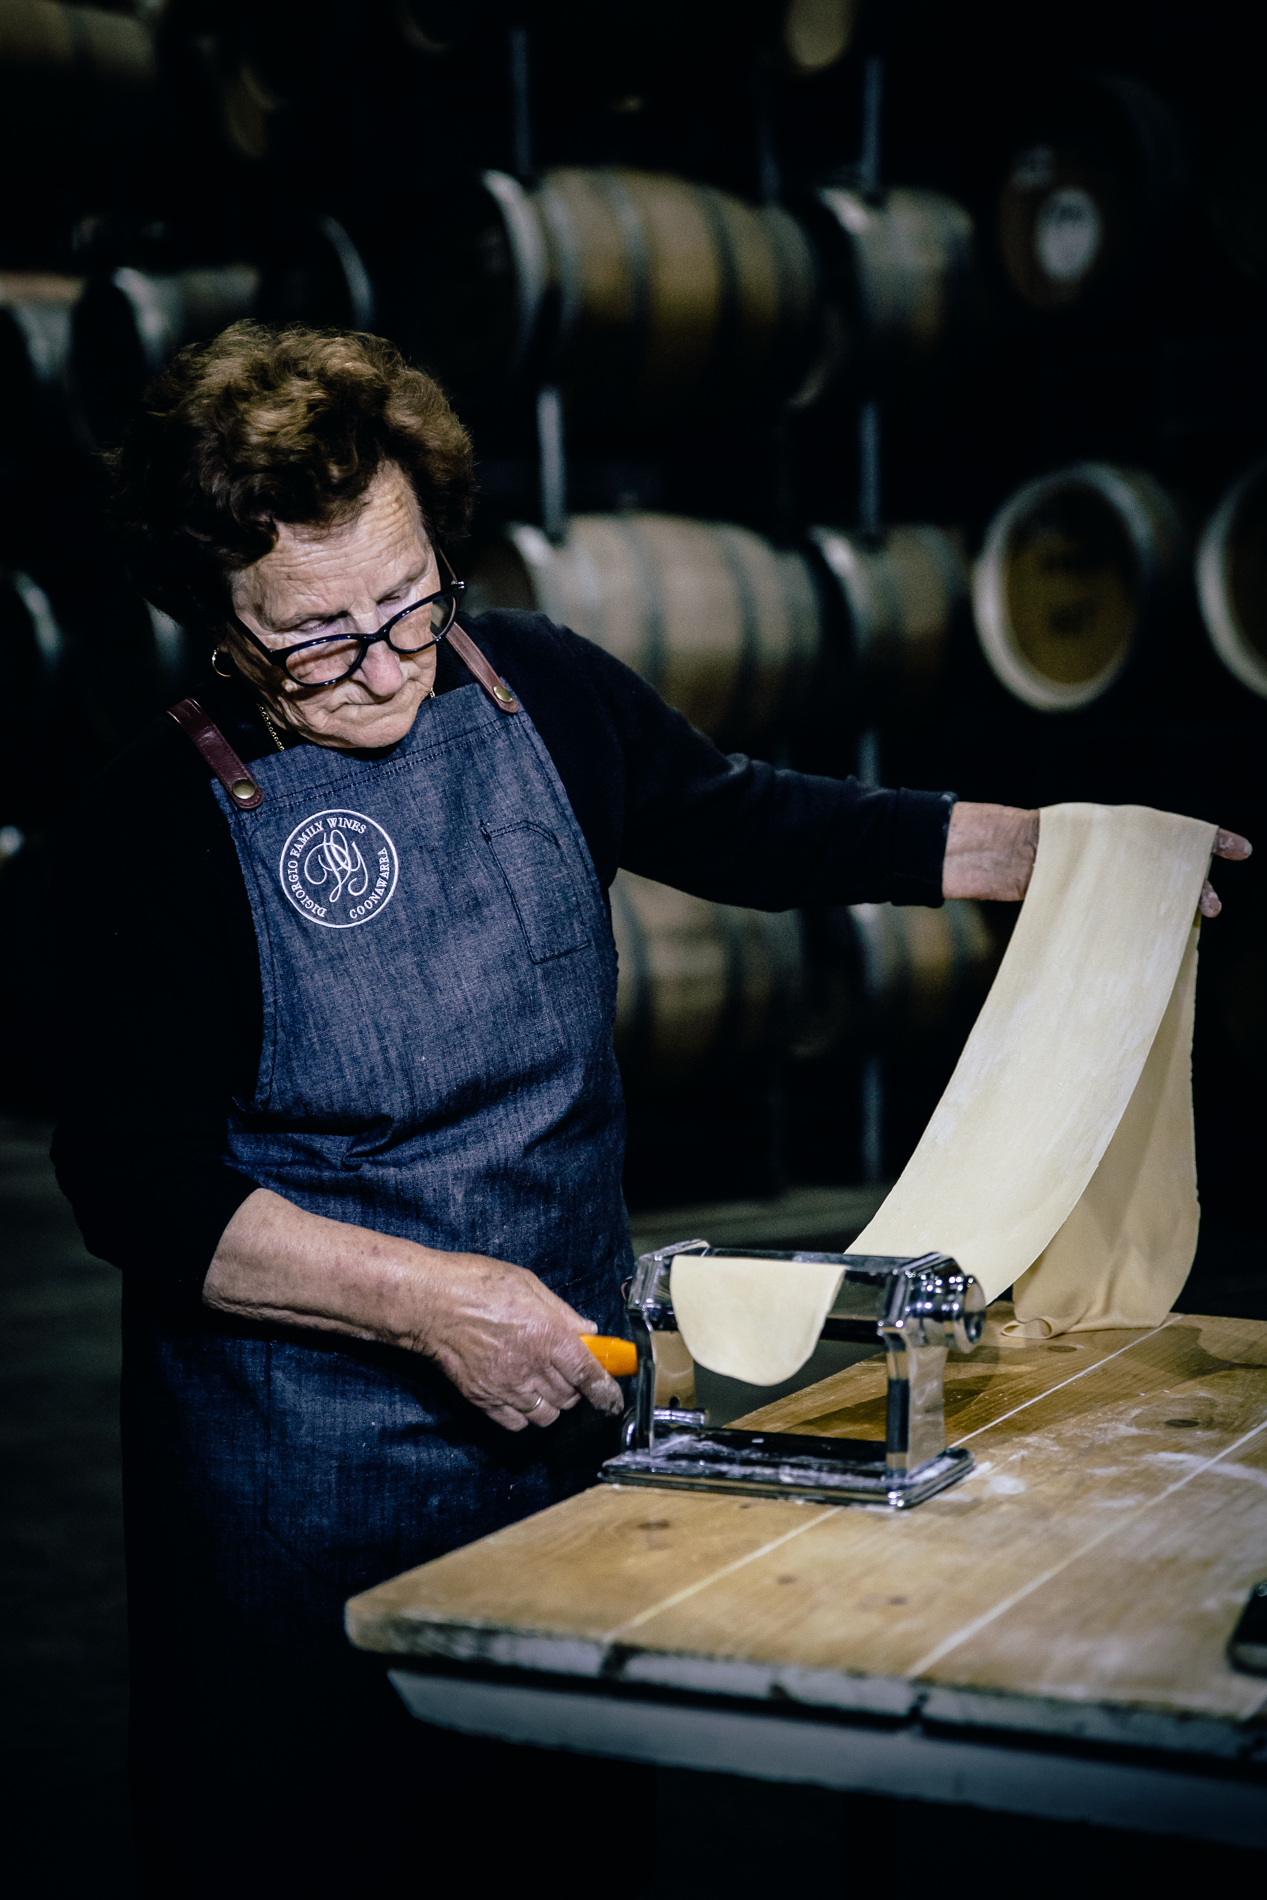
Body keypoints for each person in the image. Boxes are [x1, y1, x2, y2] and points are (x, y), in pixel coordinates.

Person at [51, 325, 1249, 1894]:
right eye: (318, 639)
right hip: (305, 1472)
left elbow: (745, 821)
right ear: (215, 620)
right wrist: (431, 1304)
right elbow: (133, 1182)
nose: (385, 662)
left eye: (411, 603)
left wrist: (1047, 852)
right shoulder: (155, 823)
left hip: (568, 1418)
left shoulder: (534, 686)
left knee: (555, 1836)